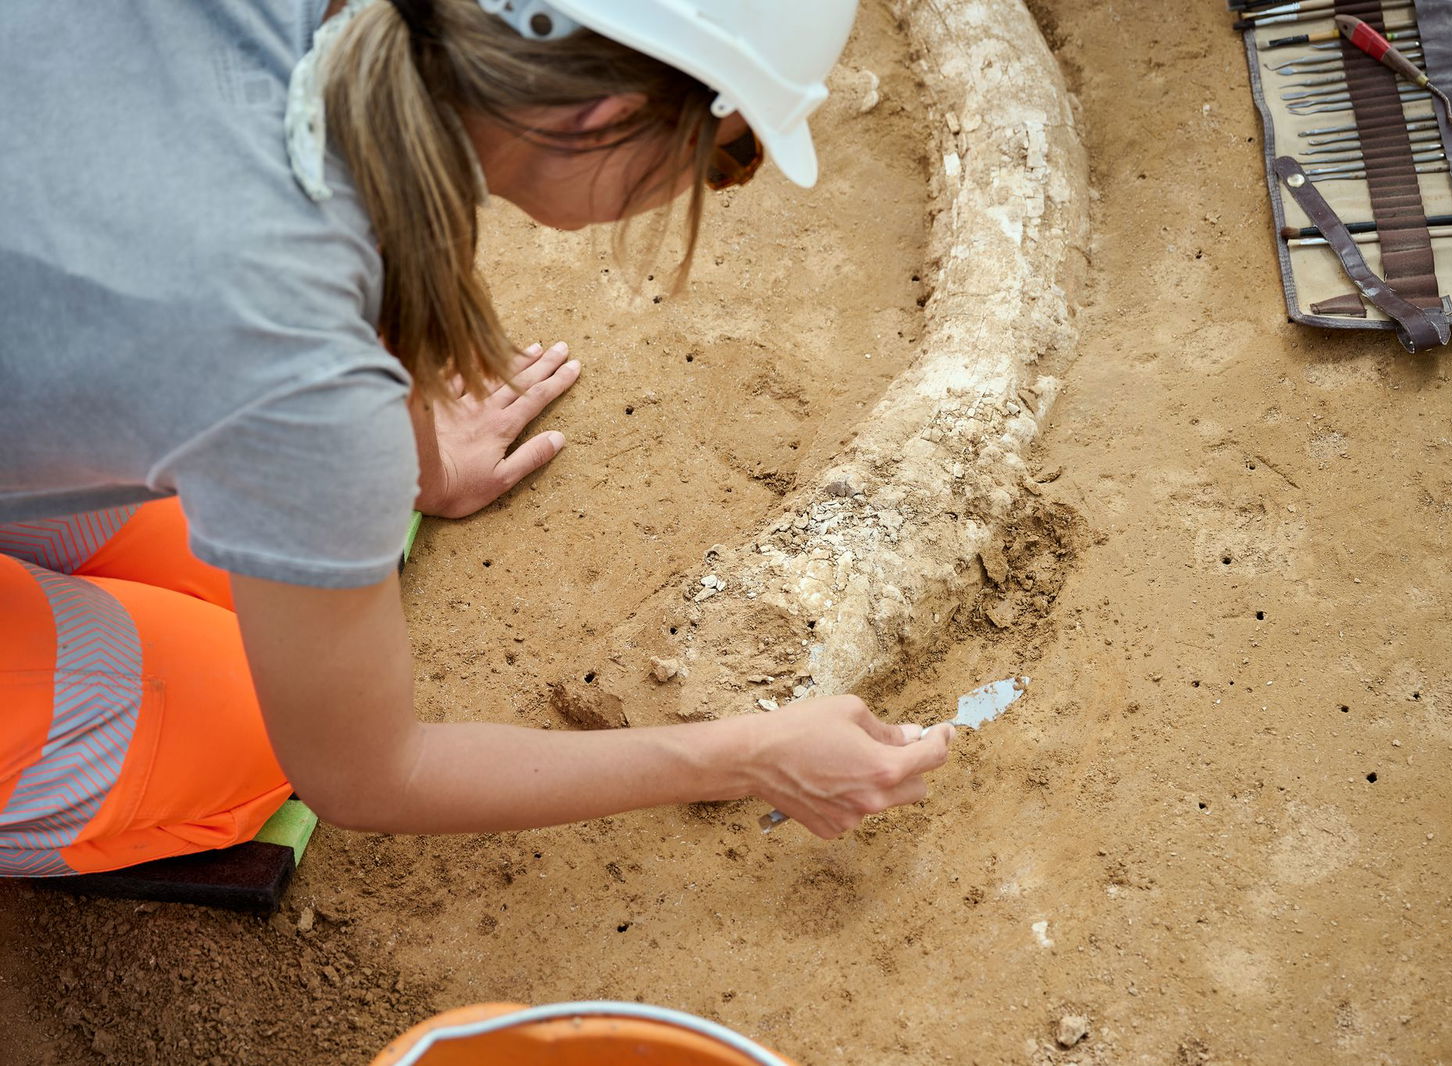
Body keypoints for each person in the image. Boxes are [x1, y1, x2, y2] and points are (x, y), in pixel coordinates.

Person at [0, 0, 953, 878]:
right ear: (602, 119)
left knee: (240, 599)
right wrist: (748, 753)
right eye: (721, 158)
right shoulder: (293, 356)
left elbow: (353, 229)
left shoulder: (362, 41)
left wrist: (407, 461)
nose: (713, 185)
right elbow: (371, 775)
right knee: (257, 736)